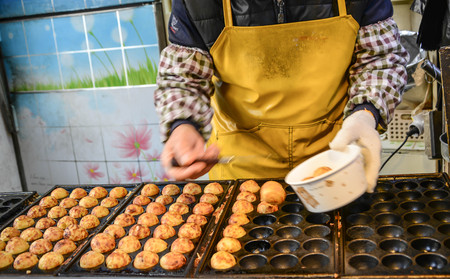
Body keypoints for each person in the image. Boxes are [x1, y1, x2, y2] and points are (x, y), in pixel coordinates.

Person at [155, 0, 409, 193]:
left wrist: (365, 113)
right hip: (241, 169)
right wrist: (182, 124)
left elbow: (380, 59)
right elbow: (183, 75)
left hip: (334, 159)